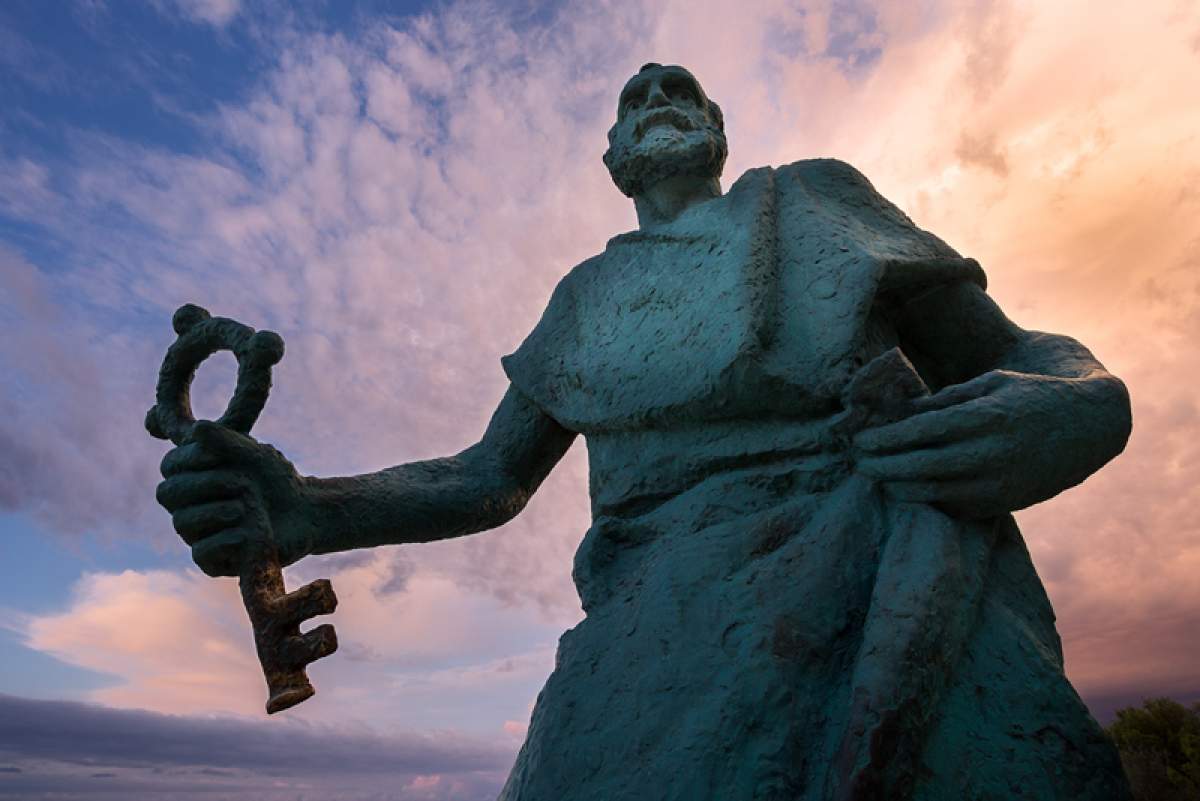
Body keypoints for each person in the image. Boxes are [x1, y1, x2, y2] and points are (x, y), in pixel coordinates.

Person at [156, 63, 1134, 800]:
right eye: (634, 99)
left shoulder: (819, 202)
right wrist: (309, 509)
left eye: (685, 92)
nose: (660, 85)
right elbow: (486, 479)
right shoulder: (582, 300)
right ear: (614, 161)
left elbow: (1025, 355)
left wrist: (1078, 406)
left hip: (890, 595)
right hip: (646, 651)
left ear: (716, 132)